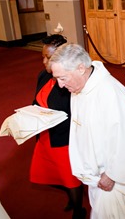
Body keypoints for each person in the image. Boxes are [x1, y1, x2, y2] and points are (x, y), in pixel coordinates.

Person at [50, 43, 125, 218]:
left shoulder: (109, 93)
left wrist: (112, 174)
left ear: (81, 68)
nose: (60, 85)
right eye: (57, 78)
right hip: (96, 176)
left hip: (115, 179)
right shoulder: (79, 89)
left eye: (63, 78)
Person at [29, 34, 85, 219]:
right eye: (43, 57)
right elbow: (36, 100)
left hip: (63, 138)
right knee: (49, 175)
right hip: (45, 136)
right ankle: (70, 195)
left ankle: (78, 209)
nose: (44, 61)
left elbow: (78, 114)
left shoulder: (70, 81)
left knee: (70, 178)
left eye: (49, 58)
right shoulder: (44, 75)